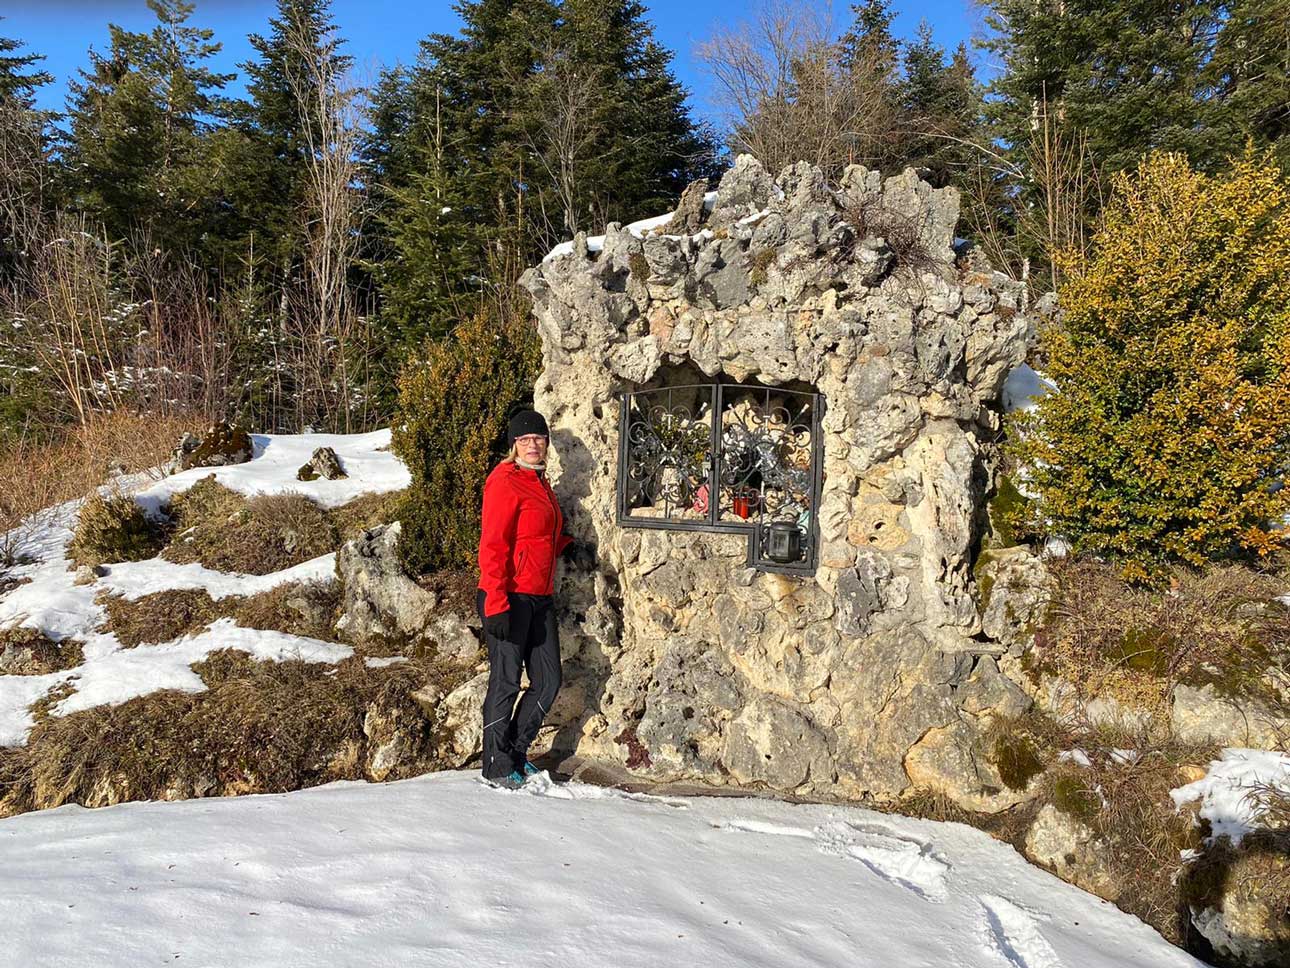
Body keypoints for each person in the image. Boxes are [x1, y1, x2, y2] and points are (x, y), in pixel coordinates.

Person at [477, 410, 572, 788]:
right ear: (514, 445)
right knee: (506, 682)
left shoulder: (540, 482)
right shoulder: (505, 482)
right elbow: (494, 546)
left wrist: (567, 545)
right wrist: (496, 603)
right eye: (525, 439)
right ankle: (496, 765)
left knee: (549, 680)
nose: (533, 444)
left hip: (539, 596)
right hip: (508, 596)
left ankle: (516, 751)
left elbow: (537, 536)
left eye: (539, 438)